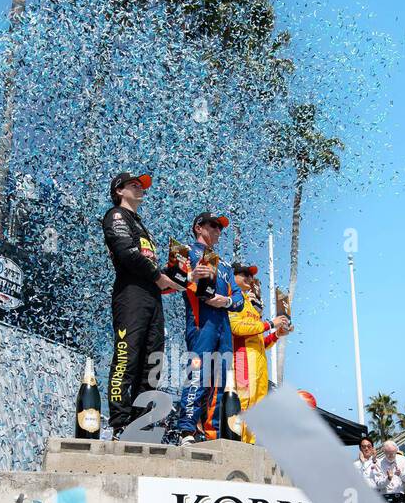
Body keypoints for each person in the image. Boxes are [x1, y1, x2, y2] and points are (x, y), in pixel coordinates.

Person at [102, 172, 193, 440]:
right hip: (130, 296)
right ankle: (119, 423)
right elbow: (126, 253)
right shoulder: (115, 216)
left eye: (142, 186)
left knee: (152, 362)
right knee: (126, 358)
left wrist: (174, 277)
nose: (140, 189)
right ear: (119, 191)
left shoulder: (142, 227)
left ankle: (140, 423)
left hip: (152, 299)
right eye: (134, 185)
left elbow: (150, 266)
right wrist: (158, 276)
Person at [177, 212, 245, 444]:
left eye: (220, 228)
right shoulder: (186, 252)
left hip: (222, 326)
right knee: (198, 375)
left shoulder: (224, 265)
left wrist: (225, 301)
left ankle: (212, 432)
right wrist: (192, 276)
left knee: (221, 380)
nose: (218, 231)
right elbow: (172, 281)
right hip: (201, 323)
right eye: (214, 226)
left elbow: (239, 300)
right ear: (198, 227)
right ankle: (186, 430)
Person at [228, 263, 289, 443]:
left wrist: (277, 334)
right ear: (233, 277)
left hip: (259, 360)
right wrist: (270, 324)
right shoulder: (233, 299)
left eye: (250, 275)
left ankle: (250, 445)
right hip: (242, 358)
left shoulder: (249, 304)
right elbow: (236, 327)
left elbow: (260, 341)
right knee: (245, 404)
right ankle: (241, 448)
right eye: (244, 274)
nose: (249, 278)